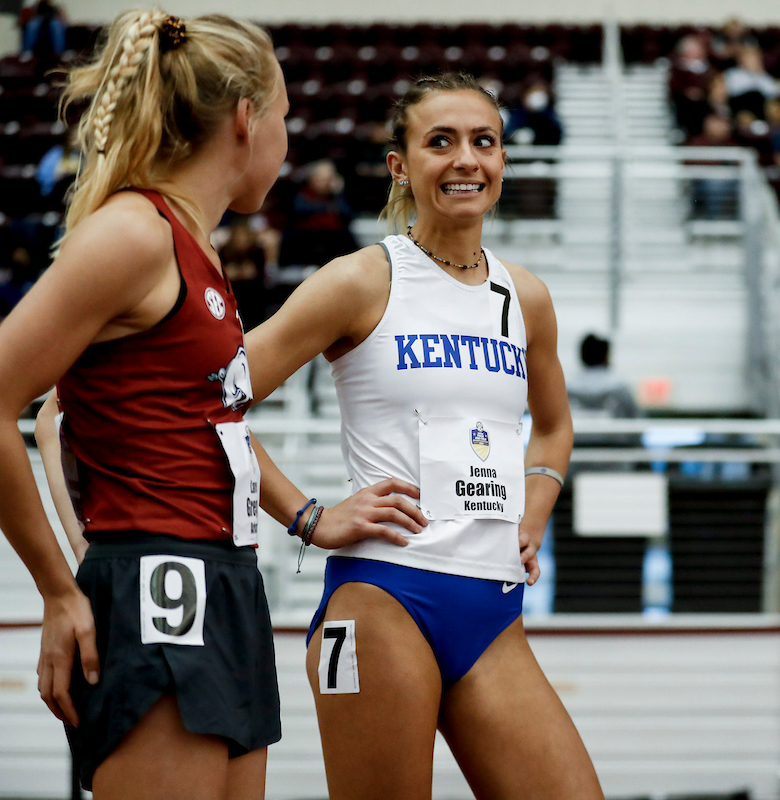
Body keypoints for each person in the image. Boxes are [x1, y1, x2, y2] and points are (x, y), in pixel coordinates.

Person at [241, 72, 604, 800]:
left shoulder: (524, 297)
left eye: (484, 142)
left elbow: (555, 426)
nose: (467, 159)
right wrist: (309, 518)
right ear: (400, 166)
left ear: (503, 159)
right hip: (382, 599)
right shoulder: (360, 281)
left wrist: (536, 506)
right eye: (440, 142)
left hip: (494, 611)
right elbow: (209, 398)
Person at [0, 10, 291, 798]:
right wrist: (60, 590)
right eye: (285, 119)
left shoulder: (197, 250)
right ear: (246, 119)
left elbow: (75, 415)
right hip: (159, 581)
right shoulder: (134, 234)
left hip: (227, 579)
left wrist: (307, 517)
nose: (288, 145)